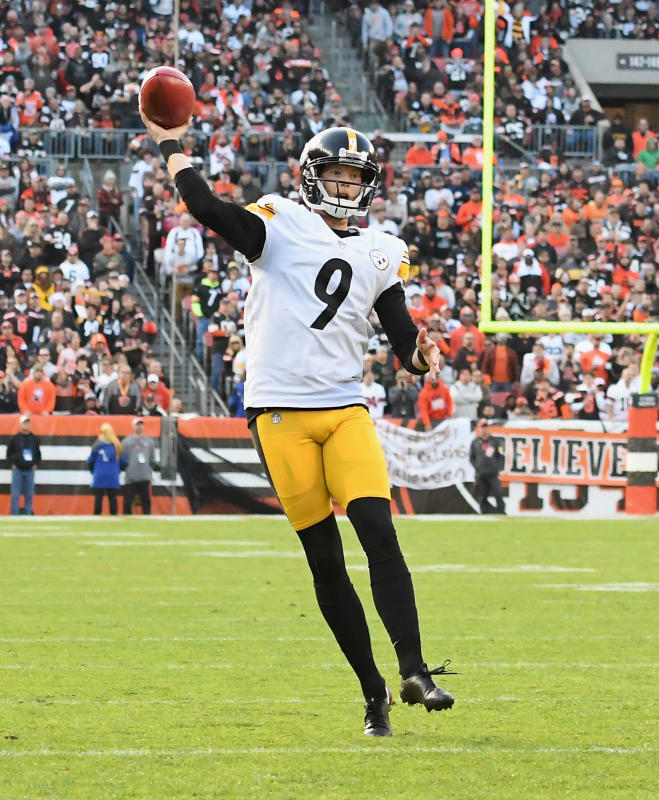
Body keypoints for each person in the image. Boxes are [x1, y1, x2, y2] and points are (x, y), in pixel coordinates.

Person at [141, 104, 453, 737]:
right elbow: (209, 211)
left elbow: (401, 342)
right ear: (312, 178)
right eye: (335, 176)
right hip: (280, 412)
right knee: (325, 560)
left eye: (354, 178)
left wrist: (420, 356)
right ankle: (373, 692)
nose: (345, 188)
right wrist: (174, 145)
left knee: (377, 527)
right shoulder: (278, 220)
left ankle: (415, 669)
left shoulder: (381, 250)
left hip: (343, 409)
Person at [86, 422, 125, 515]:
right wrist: (117, 471)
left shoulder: (97, 445)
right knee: (113, 499)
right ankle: (114, 517)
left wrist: (93, 471)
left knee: (98, 499)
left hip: (99, 475)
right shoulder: (116, 445)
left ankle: (97, 517)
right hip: (113, 476)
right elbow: (123, 461)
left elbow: (90, 461)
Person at [468, 419, 505, 514]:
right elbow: (471, 458)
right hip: (481, 474)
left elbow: (500, 456)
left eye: (486, 427)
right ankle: (483, 513)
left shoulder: (495, 441)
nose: (484, 430)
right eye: (482, 427)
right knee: (483, 495)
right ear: (479, 429)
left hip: (493, 473)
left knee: (498, 493)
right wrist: (477, 467)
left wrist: (497, 467)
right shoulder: (475, 442)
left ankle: (501, 512)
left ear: (489, 428)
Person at [7, 413, 40, 515]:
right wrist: (12, 464)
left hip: (30, 469)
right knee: (15, 494)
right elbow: (9, 453)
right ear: (20, 424)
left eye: (27, 423)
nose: (26, 425)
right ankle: (15, 514)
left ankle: (28, 513)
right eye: (24, 423)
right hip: (18, 469)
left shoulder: (34, 438)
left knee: (29, 494)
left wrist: (36, 464)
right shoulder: (15, 438)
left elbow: (38, 453)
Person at [121, 418, 156, 515]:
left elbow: (152, 459)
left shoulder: (149, 442)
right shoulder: (127, 442)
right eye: (137, 424)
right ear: (133, 426)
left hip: (144, 476)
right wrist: (128, 469)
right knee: (128, 502)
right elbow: (122, 458)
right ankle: (126, 520)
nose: (139, 426)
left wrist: (148, 470)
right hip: (131, 477)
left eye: (141, 424)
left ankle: (147, 519)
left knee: (146, 501)